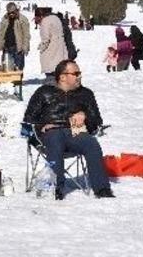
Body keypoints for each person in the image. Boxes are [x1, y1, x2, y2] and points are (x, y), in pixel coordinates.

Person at [23, 60, 114, 200]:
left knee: (92, 144)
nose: (79, 76)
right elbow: (28, 119)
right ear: (62, 77)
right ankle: (56, 188)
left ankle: (102, 189)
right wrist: (42, 126)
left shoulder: (86, 94)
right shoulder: (44, 92)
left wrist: (85, 116)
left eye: (79, 73)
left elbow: (97, 122)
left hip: (75, 132)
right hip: (50, 134)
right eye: (76, 73)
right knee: (55, 138)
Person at [0, 2, 31, 71]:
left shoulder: (22, 19)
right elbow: (1, 34)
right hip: (7, 48)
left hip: (18, 49)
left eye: (13, 12)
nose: (11, 14)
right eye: (9, 13)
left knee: (18, 69)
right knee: (6, 68)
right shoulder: (5, 19)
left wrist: (25, 48)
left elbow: (26, 35)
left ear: (16, 10)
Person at [36, 7, 67, 82]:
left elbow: (45, 39)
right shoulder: (56, 18)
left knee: (51, 75)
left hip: (51, 51)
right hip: (61, 50)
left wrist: (41, 48)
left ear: (40, 16)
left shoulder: (45, 21)